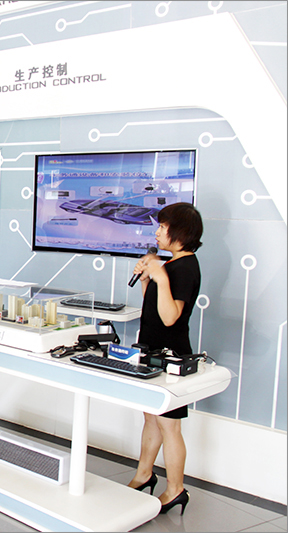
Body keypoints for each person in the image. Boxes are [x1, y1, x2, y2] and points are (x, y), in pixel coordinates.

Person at [127, 202, 203, 516]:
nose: (157, 232)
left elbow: (171, 317)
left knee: (170, 426)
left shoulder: (186, 267)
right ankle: (144, 475)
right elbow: (155, 307)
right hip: (151, 350)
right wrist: (148, 279)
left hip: (171, 358)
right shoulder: (170, 265)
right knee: (151, 417)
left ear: (180, 232)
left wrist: (160, 276)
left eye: (162, 227)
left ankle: (175, 490)